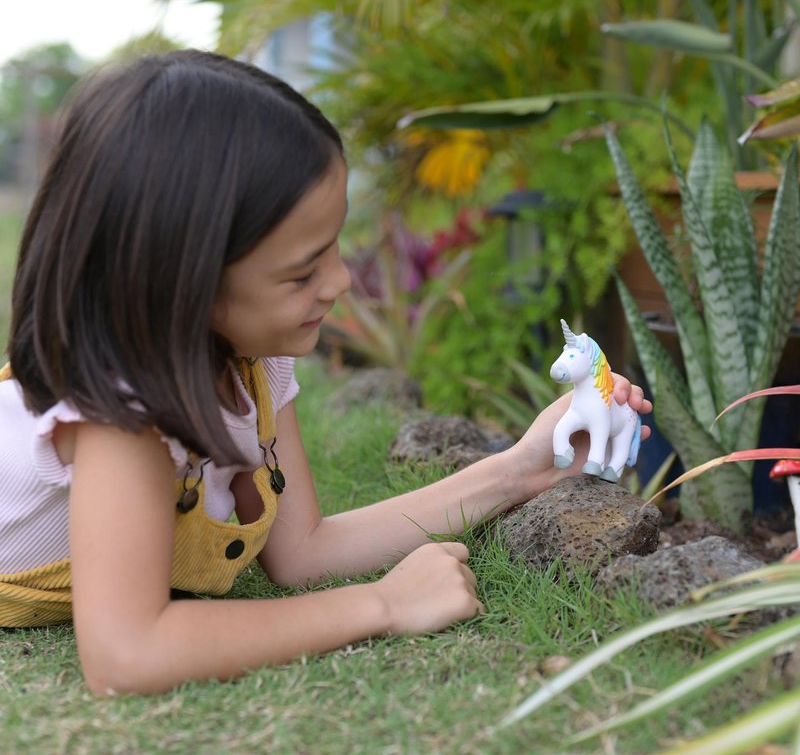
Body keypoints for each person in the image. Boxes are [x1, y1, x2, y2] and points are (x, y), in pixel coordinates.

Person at [0, 50, 651, 696]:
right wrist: (384, 604)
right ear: (182, 287)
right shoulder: (120, 413)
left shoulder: (252, 362)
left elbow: (303, 551)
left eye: (334, 246)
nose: (339, 281)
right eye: (301, 272)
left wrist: (523, 468)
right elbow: (127, 653)